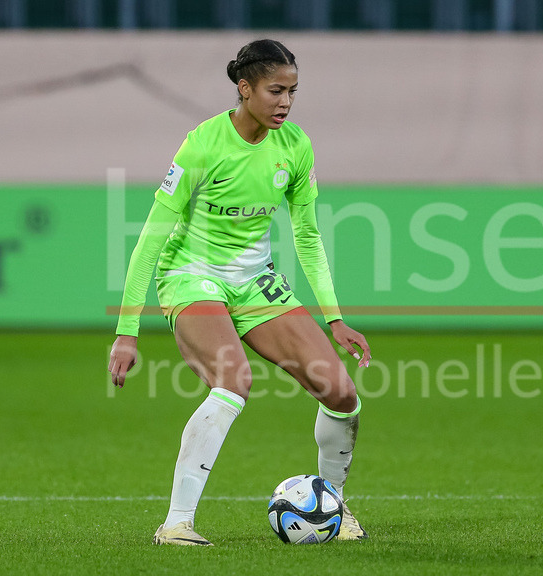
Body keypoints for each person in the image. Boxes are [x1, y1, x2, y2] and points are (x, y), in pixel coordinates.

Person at [108, 39, 372, 546]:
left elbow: (308, 237)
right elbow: (150, 240)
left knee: (340, 392)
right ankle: (177, 523)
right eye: (276, 90)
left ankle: (332, 510)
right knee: (234, 379)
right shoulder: (203, 145)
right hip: (191, 273)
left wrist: (334, 318)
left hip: (256, 279)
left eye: (293, 91)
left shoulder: (295, 146)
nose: (286, 103)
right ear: (244, 88)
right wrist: (126, 331)